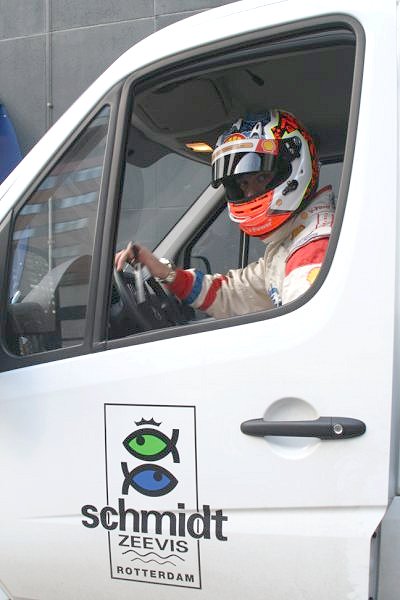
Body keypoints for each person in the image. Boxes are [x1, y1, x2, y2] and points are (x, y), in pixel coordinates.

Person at [115, 109, 335, 318]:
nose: (250, 193)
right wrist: (165, 273)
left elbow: (305, 340)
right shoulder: (293, 240)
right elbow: (235, 293)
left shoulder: (313, 250)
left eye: (261, 177)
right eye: (244, 183)